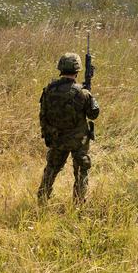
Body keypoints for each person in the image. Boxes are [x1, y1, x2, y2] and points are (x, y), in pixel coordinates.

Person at [38, 53, 99, 205]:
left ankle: (42, 200)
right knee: (81, 172)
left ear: (60, 68)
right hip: (78, 141)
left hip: (56, 139)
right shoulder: (82, 93)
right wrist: (91, 95)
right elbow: (93, 114)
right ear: (77, 71)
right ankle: (78, 205)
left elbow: (43, 115)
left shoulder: (49, 90)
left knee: (51, 170)